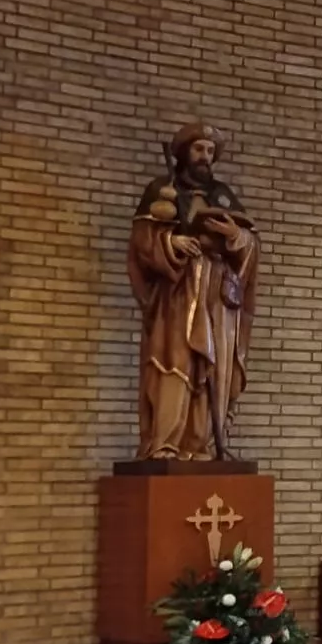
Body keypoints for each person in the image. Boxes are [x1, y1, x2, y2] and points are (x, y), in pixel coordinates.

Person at [129, 122, 259, 461]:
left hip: (217, 295)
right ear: (185, 152)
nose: (205, 157)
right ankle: (165, 444)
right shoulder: (162, 191)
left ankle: (199, 445)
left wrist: (235, 236)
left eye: (210, 151)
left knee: (213, 370)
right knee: (176, 364)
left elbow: (250, 246)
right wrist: (172, 241)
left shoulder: (222, 194)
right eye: (199, 149)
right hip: (179, 293)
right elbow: (142, 242)